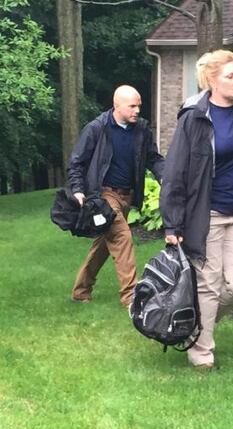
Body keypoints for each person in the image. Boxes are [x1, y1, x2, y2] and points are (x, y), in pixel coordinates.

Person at [159, 50, 233, 370]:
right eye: (230, 76)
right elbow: (175, 171)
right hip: (206, 214)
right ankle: (202, 354)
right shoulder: (194, 117)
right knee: (207, 285)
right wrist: (172, 224)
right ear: (211, 80)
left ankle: (190, 323)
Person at [67, 85, 164, 308]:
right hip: (103, 195)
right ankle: (131, 296)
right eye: (132, 106)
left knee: (103, 244)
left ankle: (81, 290)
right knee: (122, 237)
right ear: (116, 106)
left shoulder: (141, 129)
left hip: (126, 196)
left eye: (139, 106)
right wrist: (78, 189)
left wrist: (165, 176)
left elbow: (153, 158)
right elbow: (77, 162)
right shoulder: (97, 128)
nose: (137, 110)